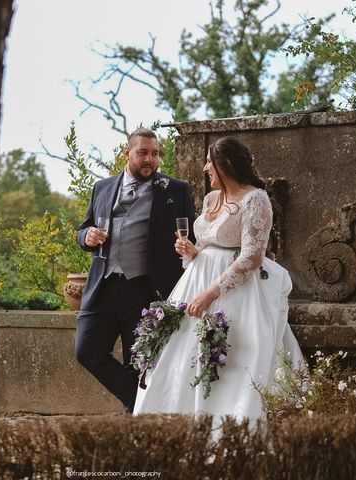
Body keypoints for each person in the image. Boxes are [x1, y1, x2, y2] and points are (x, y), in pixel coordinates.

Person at [133, 136, 305, 423]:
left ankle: (223, 428)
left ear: (225, 165)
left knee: (231, 360)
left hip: (235, 291)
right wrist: (191, 251)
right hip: (195, 280)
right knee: (177, 357)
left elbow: (252, 256)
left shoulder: (256, 199)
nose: (205, 168)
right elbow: (210, 245)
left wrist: (210, 294)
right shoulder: (212, 198)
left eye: (210, 162)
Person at [75, 127, 196, 413]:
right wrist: (87, 236)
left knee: (138, 363)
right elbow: (83, 229)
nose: (150, 160)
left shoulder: (175, 190)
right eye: (143, 153)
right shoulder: (102, 187)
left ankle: (141, 419)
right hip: (102, 286)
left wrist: (188, 248)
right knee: (87, 351)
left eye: (155, 154)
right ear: (127, 153)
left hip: (144, 290)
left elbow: (193, 233)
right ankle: (140, 405)